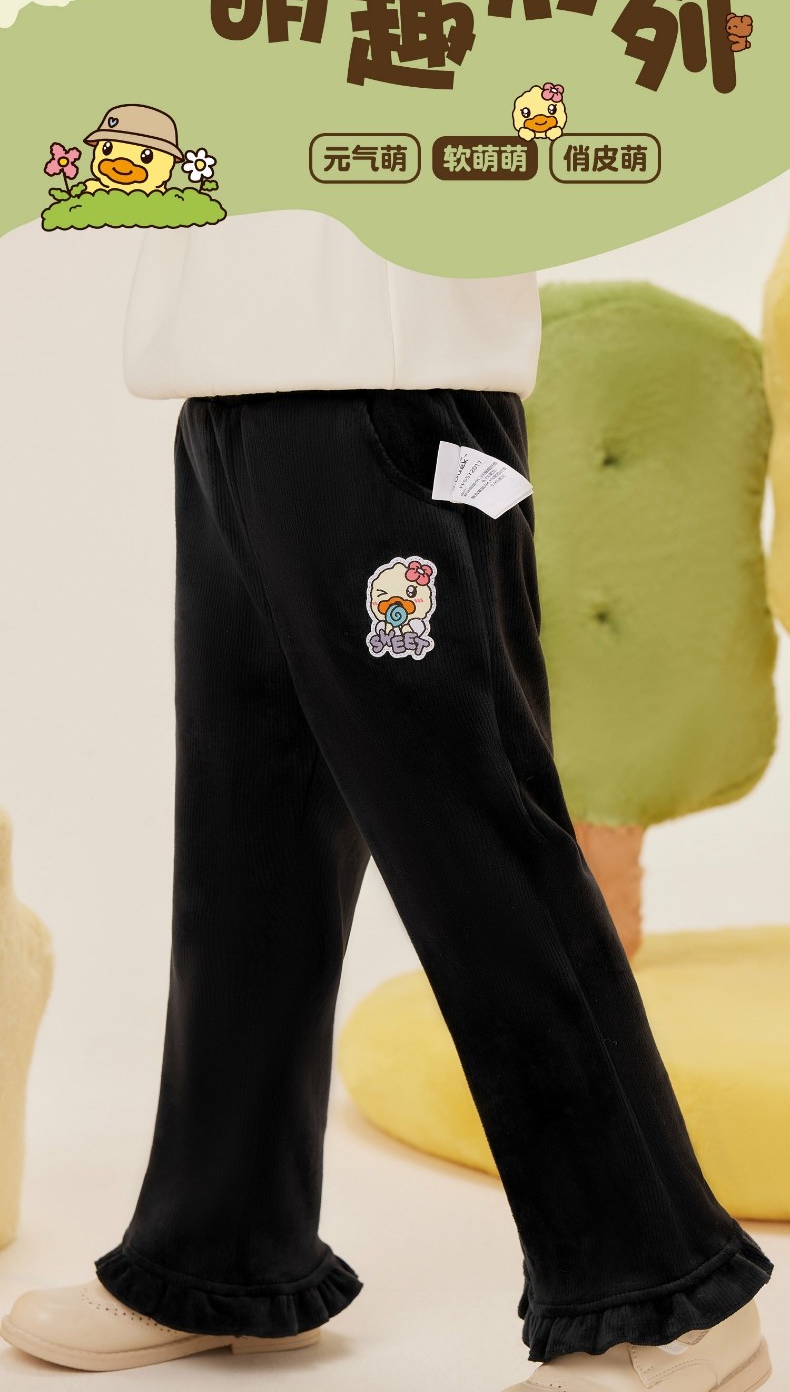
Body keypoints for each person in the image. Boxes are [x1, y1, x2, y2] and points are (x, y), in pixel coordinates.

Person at [0, 212, 774, 1388]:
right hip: (228, 397)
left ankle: (668, 1294)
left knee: (480, 853)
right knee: (245, 857)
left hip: (395, 398)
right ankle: (222, 1254)